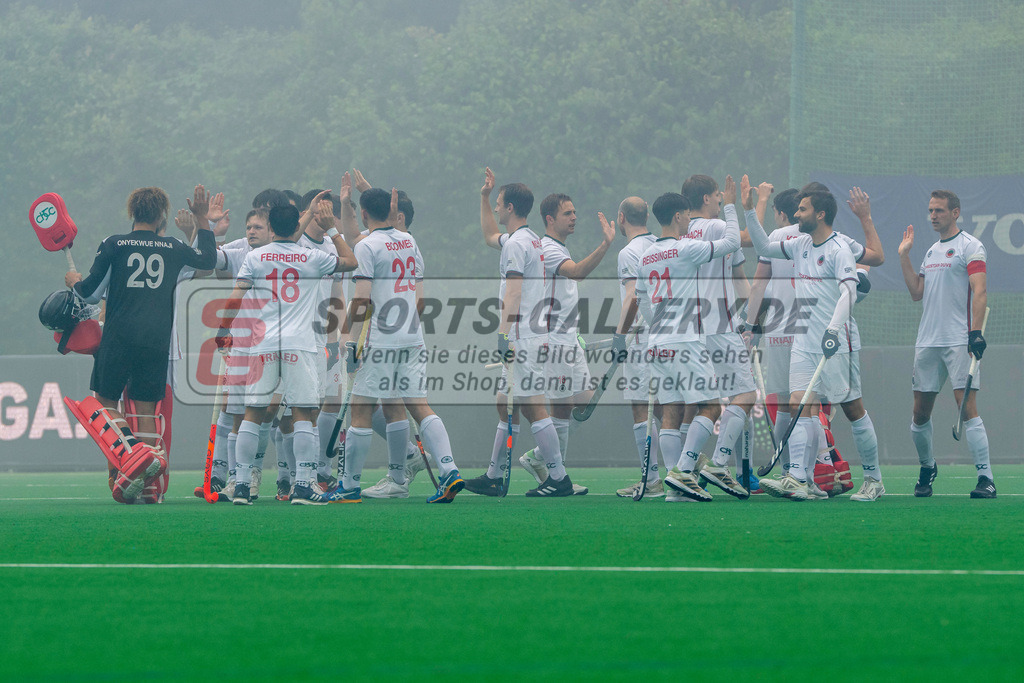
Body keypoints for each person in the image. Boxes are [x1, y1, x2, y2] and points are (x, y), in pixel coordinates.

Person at [65, 185, 218, 502]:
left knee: (105, 407)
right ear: (162, 216)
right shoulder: (173, 247)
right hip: (156, 340)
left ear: (131, 212)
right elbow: (207, 261)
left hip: (119, 337)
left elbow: (90, 294)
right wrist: (202, 220)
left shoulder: (114, 244)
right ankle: (149, 488)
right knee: (147, 411)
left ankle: (133, 459)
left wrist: (73, 282)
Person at [746, 185, 885, 501]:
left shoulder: (839, 250)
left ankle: (874, 480)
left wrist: (834, 331)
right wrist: (746, 210)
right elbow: (765, 247)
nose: (796, 214)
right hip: (803, 340)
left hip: (838, 343)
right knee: (799, 405)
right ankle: (799, 478)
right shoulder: (799, 244)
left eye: (803, 209)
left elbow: (849, 293)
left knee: (852, 409)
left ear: (820, 214)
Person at [217, 203, 357, 505]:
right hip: (299, 345)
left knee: (252, 414)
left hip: (263, 345)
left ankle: (242, 484)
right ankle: (303, 485)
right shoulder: (312, 257)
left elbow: (235, 297)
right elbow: (350, 260)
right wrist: (332, 229)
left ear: (272, 226)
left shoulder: (255, 257)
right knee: (303, 413)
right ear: (297, 226)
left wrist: (222, 330)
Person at [333, 187, 465, 503]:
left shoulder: (366, 247)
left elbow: (362, 299)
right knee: (416, 406)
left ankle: (348, 486)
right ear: (391, 211)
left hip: (379, 340)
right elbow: (419, 300)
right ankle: (445, 471)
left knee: (361, 411)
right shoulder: (409, 241)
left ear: (364, 213)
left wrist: (350, 340)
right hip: (411, 337)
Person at [465, 168, 576, 497]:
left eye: (499, 204)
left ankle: (559, 478)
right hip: (531, 334)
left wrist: (502, 334)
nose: (497, 210)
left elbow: (513, 292)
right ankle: (494, 475)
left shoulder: (517, 245)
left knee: (532, 406)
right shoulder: (527, 240)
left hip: (522, 335)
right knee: (505, 403)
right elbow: (488, 236)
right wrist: (484, 196)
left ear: (511, 208)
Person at [635, 188, 742, 502]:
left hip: (656, 342)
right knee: (710, 405)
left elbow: (641, 299)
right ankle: (682, 471)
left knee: (671, 410)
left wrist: (656, 323)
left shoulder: (646, 255)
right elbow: (732, 243)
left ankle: (675, 489)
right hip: (685, 340)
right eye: (685, 217)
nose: (688, 222)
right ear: (678, 216)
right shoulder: (686, 248)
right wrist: (733, 206)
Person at [516, 192, 615, 495]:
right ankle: (557, 478)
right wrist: (606, 244)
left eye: (574, 212)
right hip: (555, 340)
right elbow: (579, 272)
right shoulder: (548, 248)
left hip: (569, 337)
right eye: (567, 213)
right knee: (562, 408)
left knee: (583, 403)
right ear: (549, 219)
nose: (574, 217)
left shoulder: (559, 247)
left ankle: (539, 459)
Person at [897, 190, 993, 498]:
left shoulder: (971, 246)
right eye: (930, 210)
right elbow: (916, 292)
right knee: (920, 414)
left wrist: (975, 333)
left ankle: (985, 478)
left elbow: (980, 292)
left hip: (958, 340)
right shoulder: (929, 251)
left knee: (966, 408)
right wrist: (904, 256)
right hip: (927, 342)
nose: (933, 215)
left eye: (939, 210)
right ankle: (927, 467)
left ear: (955, 212)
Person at [679, 174, 756, 499]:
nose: (719, 199)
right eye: (716, 196)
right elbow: (741, 239)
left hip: (695, 329)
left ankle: (683, 471)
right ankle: (720, 463)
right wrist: (737, 205)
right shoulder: (711, 227)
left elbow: (737, 272)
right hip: (717, 327)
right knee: (745, 395)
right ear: (709, 199)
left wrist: (750, 319)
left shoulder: (684, 233)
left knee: (705, 405)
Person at [611, 197, 664, 498]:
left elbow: (633, 296)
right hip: (667, 336)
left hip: (641, 338)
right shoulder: (660, 244)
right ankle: (685, 466)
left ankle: (652, 478)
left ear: (621, 218)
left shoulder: (629, 252)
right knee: (663, 406)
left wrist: (620, 335)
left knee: (641, 407)